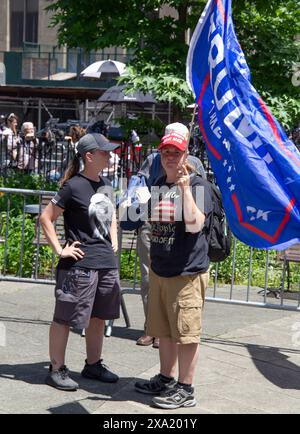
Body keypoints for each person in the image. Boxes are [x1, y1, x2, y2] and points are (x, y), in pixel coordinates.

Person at [134, 131, 213, 409]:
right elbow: (155, 224)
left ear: (186, 155)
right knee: (164, 330)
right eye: (165, 152)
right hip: (161, 270)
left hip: (186, 272)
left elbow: (194, 224)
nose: (170, 157)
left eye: (175, 153)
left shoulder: (198, 185)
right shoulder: (158, 183)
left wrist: (184, 189)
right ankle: (166, 379)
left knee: (186, 333)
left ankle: (186, 388)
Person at [40, 133, 121, 391]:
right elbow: (45, 218)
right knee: (64, 317)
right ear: (89, 156)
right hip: (80, 267)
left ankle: (93, 364)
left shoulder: (106, 183)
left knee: (99, 317)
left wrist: (114, 238)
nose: (109, 155)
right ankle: (56, 368)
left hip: (105, 263)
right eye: (104, 152)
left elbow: (112, 212)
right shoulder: (73, 186)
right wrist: (59, 250)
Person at [135, 123, 206, 349]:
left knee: (180, 298)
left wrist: (184, 190)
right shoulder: (152, 161)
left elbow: (199, 204)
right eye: (166, 147)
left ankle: (173, 332)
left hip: (182, 238)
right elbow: (138, 186)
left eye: (177, 148)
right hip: (154, 227)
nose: (170, 155)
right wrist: (141, 208)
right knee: (149, 278)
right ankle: (151, 328)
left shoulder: (194, 166)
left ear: (185, 146)